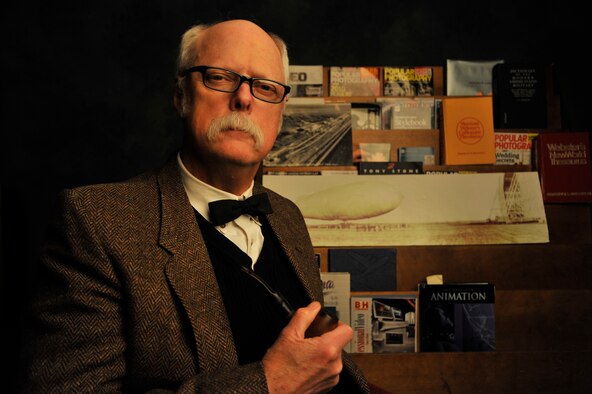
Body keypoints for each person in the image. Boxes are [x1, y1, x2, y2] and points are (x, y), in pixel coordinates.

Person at [21, 19, 370, 393]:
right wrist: (269, 383)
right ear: (180, 96)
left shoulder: (287, 216)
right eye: (220, 77)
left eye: (265, 87)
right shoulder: (96, 221)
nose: (244, 98)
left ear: (280, 112)